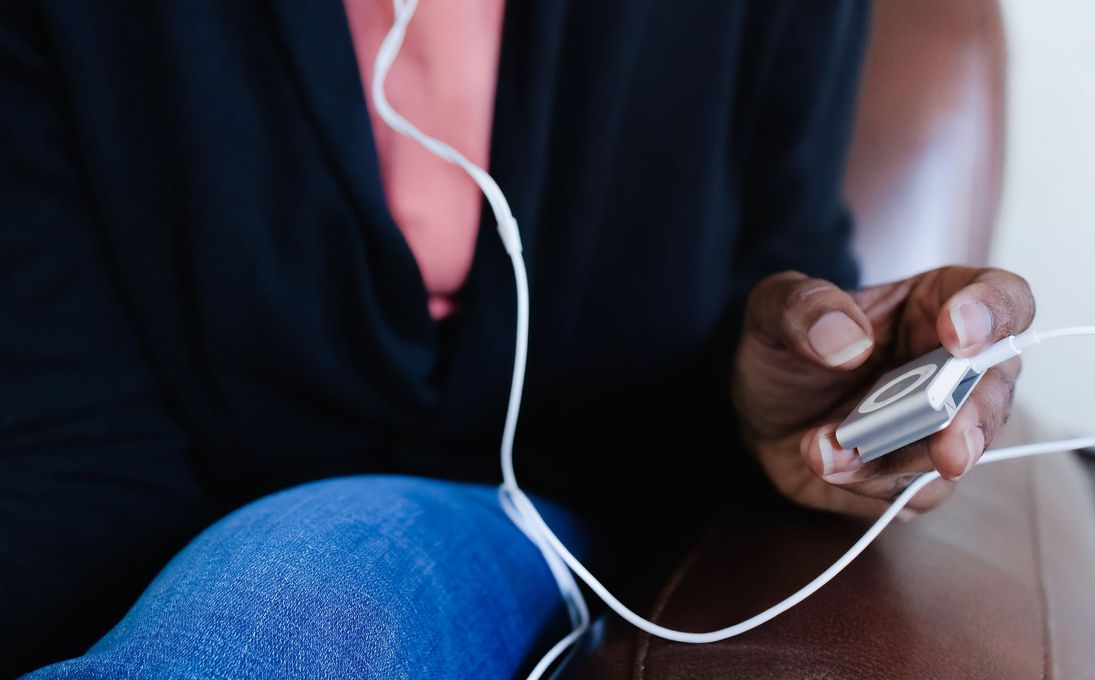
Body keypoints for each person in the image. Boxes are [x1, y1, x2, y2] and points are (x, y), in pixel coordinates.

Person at [0, 1, 1032, 677]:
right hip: (169, 522)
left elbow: (778, 270)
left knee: (298, 585)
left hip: (558, 520)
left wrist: (788, 412)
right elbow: (65, 440)